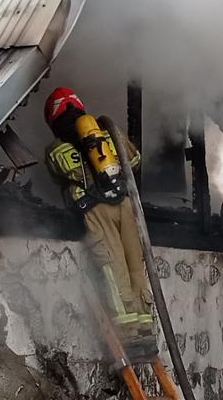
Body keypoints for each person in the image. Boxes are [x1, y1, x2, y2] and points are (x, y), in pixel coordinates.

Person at [41, 86, 154, 327]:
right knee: (136, 266)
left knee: (114, 268)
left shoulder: (56, 148)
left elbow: (62, 171)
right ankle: (145, 326)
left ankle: (128, 330)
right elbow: (134, 160)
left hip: (95, 210)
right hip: (124, 203)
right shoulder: (107, 132)